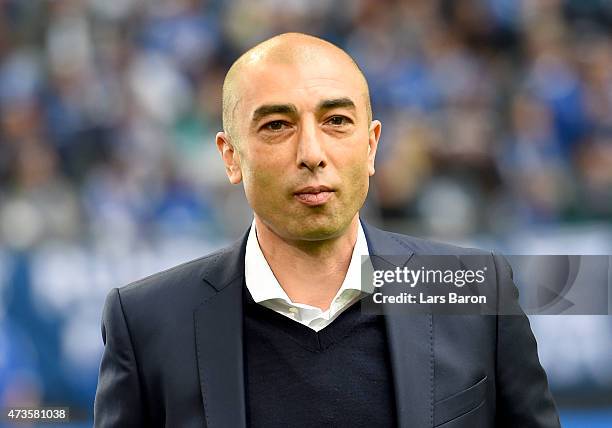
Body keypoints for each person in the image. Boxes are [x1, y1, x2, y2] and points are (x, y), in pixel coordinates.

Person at [93, 33, 561, 427]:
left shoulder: (476, 291)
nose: (312, 152)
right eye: (278, 125)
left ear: (372, 145)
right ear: (231, 156)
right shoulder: (146, 322)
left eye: (337, 121)